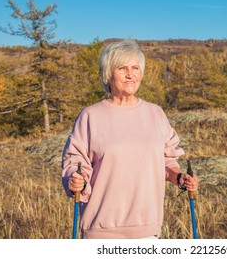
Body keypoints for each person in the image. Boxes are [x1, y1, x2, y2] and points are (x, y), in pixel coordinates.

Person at [61, 39, 199, 239]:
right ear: (108, 74)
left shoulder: (156, 113)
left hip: (148, 230)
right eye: (122, 68)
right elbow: (75, 160)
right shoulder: (90, 116)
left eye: (135, 68)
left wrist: (180, 178)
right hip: (101, 231)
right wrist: (76, 180)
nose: (130, 74)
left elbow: (167, 161)